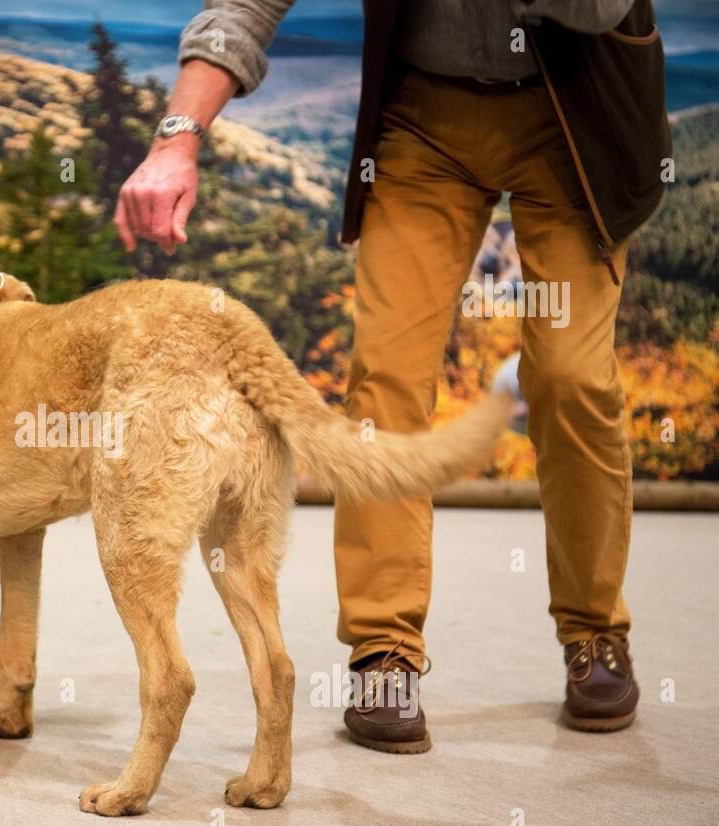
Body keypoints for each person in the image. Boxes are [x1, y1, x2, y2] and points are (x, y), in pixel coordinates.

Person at [116, 0, 668, 751]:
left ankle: (595, 628)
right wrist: (177, 138)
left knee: (571, 377)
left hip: (574, 115)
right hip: (424, 119)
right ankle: (384, 650)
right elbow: (246, 3)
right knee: (386, 379)